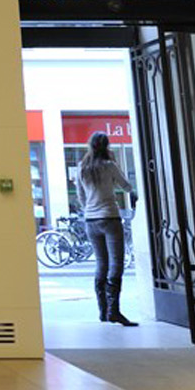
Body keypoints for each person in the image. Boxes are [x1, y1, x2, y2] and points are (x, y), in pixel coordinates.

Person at [73, 131, 139, 327]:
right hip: (110, 217)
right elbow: (126, 186)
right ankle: (114, 311)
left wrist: (89, 209)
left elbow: (80, 196)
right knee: (116, 263)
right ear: (106, 146)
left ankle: (103, 311)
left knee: (101, 263)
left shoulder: (81, 168)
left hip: (91, 220)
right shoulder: (109, 166)